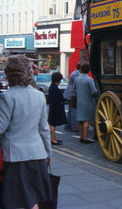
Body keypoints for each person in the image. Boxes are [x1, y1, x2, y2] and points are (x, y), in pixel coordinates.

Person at [0, 55, 52, 209]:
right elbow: (44, 129)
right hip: (37, 154)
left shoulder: (7, 97)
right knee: (32, 199)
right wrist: (48, 153)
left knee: (14, 201)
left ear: (9, 74)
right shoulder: (39, 96)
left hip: (15, 157)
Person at [75, 62, 97, 144]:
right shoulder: (89, 80)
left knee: (80, 120)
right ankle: (85, 138)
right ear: (89, 70)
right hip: (87, 101)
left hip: (79, 101)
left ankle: (81, 137)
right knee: (86, 121)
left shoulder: (77, 78)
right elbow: (94, 91)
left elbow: (74, 89)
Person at [48, 72, 67, 145]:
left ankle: (54, 138)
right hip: (55, 109)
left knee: (53, 124)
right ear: (58, 80)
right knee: (53, 124)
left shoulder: (52, 87)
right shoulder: (54, 88)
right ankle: (53, 139)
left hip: (53, 108)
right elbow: (55, 100)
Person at [63, 62, 82, 132]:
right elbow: (78, 83)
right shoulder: (75, 74)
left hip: (70, 94)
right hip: (71, 94)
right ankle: (74, 128)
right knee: (73, 111)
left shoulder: (76, 73)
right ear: (80, 68)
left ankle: (68, 127)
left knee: (71, 111)